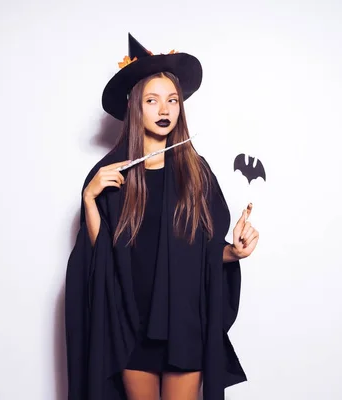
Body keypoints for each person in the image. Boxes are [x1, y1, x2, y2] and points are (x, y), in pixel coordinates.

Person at [65, 33, 259, 400]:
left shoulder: (196, 172)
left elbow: (205, 252)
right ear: (135, 107)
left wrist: (233, 251)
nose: (165, 109)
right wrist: (90, 199)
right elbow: (99, 257)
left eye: (172, 100)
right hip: (130, 326)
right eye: (152, 101)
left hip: (184, 323)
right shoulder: (111, 173)